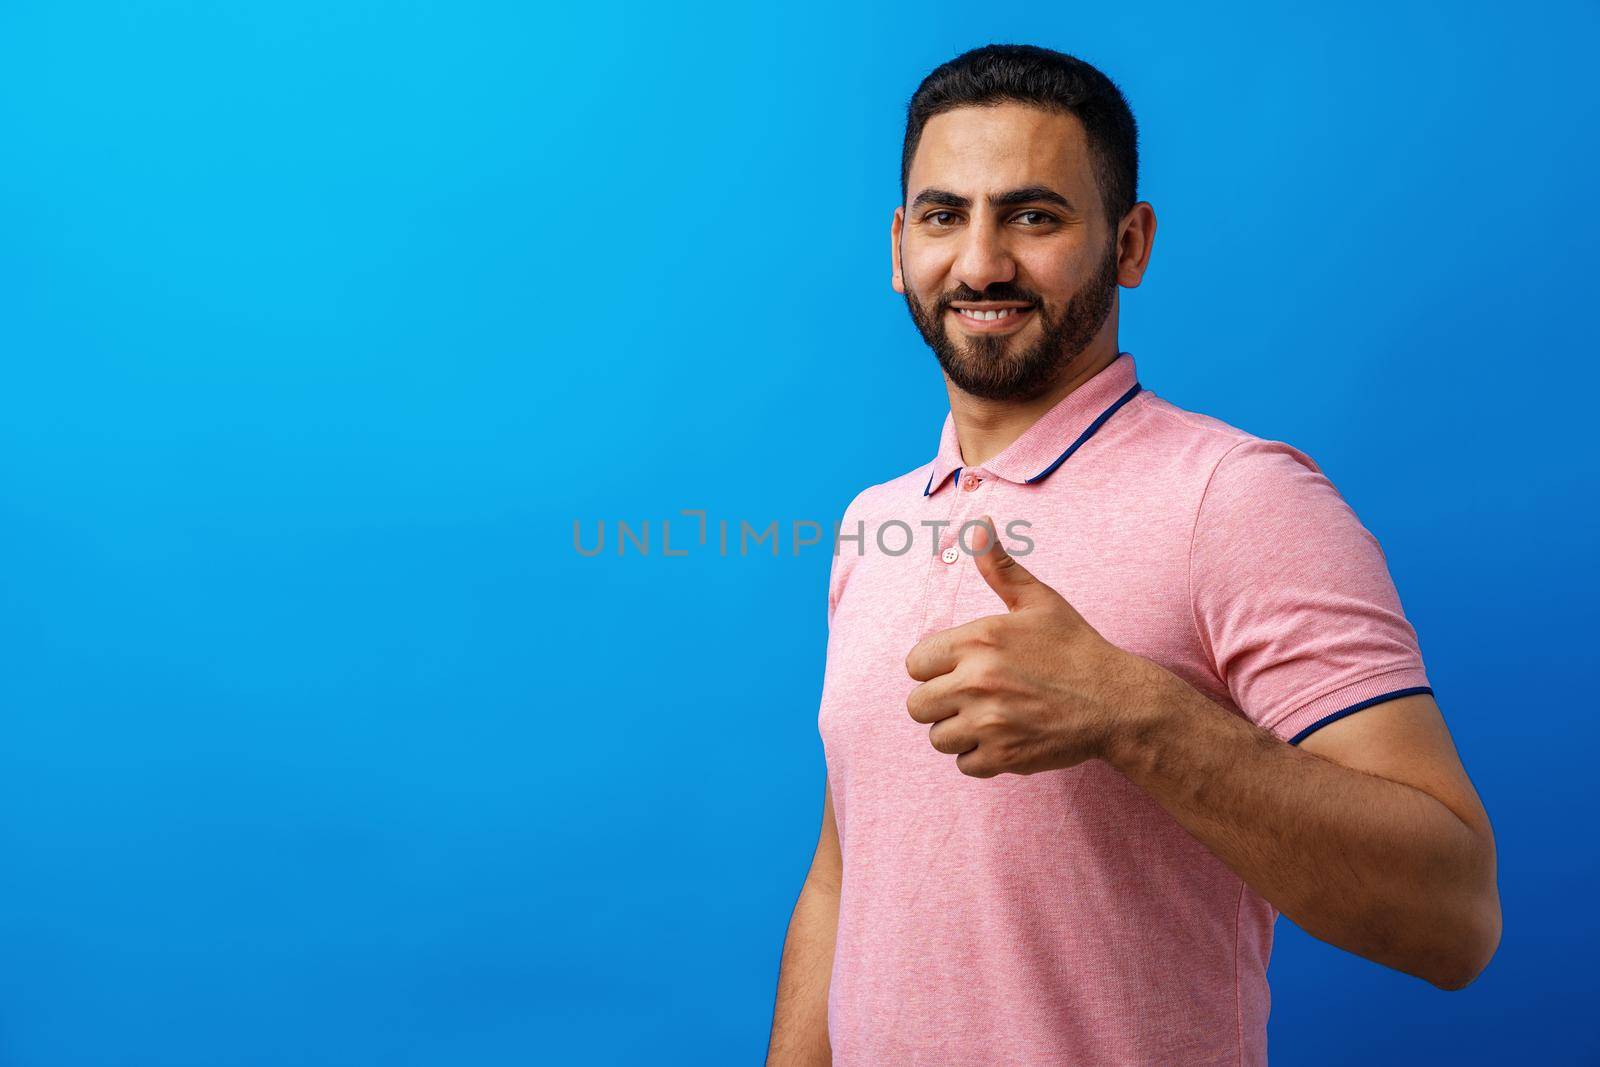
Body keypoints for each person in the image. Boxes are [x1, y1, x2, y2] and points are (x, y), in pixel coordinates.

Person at [764, 44, 1501, 1067]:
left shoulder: (1237, 497)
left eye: (1033, 215)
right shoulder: (873, 522)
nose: (979, 263)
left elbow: (1453, 914)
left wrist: (1132, 713)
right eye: (943, 215)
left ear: (1130, 240)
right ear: (898, 246)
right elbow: (848, 870)